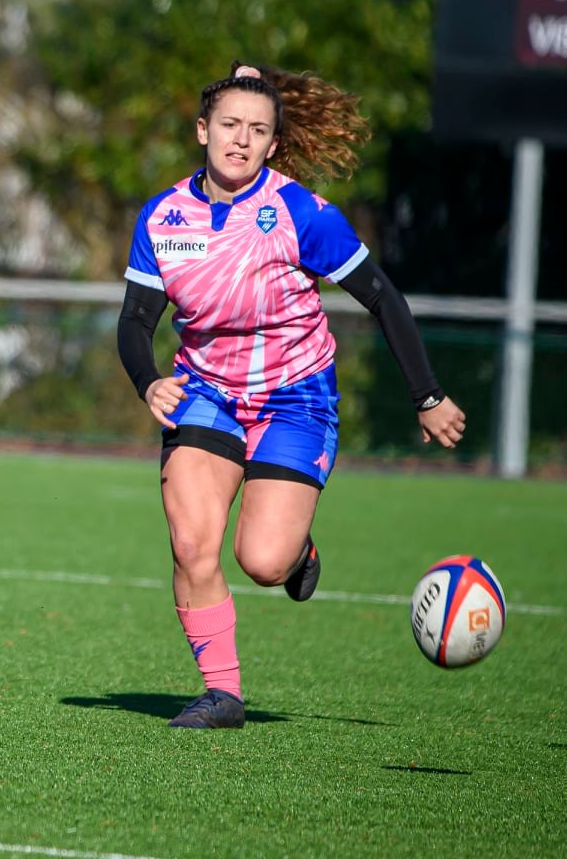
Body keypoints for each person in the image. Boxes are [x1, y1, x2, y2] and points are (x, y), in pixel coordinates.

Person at [116, 62, 466, 729]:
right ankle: (221, 694)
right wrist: (148, 379)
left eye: (257, 130)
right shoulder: (163, 216)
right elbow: (135, 320)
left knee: (262, 561)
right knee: (191, 544)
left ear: (273, 144)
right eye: (229, 125)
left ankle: (297, 553)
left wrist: (427, 395)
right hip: (205, 393)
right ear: (202, 131)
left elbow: (381, 297)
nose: (241, 140)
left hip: (294, 397)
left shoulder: (301, 213)